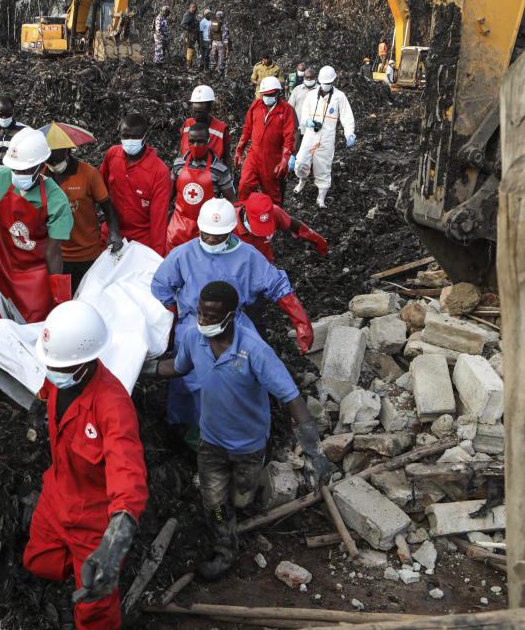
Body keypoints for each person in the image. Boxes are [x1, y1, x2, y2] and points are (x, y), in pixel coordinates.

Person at [154, 280, 332, 579]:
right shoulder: (192, 337)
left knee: (242, 498)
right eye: (199, 313)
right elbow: (179, 367)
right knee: (216, 503)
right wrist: (141, 369)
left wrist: (315, 452)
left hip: (249, 446)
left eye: (210, 316)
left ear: (231, 316)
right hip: (210, 442)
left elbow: (292, 399)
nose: (202, 321)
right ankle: (225, 545)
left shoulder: (255, 351)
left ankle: (246, 499)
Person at [24, 301, 148, 630]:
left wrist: (114, 543)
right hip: (57, 493)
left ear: (85, 363)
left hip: (92, 518)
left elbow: (128, 475)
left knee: (95, 603)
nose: (53, 371)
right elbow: (47, 389)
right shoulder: (59, 374)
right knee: (39, 562)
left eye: (60, 367)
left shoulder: (112, 406)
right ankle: (75, 571)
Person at [150, 198, 314, 433]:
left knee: (250, 367)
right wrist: (174, 318)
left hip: (234, 322)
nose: (209, 240)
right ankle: (192, 428)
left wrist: (301, 322)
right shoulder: (183, 254)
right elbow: (162, 287)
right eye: (205, 234)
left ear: (229, 232)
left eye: (216, 237)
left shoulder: (248, 255)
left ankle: (248, 424)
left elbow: (277, 286)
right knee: (189, 376)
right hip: (192, 323)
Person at [0, 127, 72, 322]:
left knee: (32, 324)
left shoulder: (56, 199)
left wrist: (58, 294)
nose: (19, 174)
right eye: (15, 169)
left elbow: (54, 252)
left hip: (34, 274)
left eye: (26, 170)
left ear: (40, 166)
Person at [46, 141, 123, 293]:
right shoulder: (41, 174)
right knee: (62, 300)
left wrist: (114, 233)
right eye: (50, 162)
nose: (54, 166)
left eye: (58, 162)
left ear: (67, 151)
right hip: (56, 254)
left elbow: (107, 206)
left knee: (88, 297)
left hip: (87, 253)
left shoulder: (89, 174)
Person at [99, 113, 171, 257]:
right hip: (112, 237)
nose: (129, 140)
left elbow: (159, 220)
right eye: (125, 136)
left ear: (145, 136)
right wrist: (111, 231)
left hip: (141, 244)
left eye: (135, 137)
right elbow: (101, 192)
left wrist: (156, 258)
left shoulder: (159, 171)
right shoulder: (112, 155)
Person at [293, 65, 356, 208]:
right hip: (310, 136)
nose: (326, 85)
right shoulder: (311, 95)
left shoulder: (339, 97)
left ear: (333, 82)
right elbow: (304, 113)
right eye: (324, 83)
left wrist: (349, 134)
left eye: (328, 83)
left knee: (323, 167)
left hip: (327, 137)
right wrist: (308, 121)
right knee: (301, 161)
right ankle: (302, 180)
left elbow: (347, 117)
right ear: (319, 81)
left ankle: (321, 197)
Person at [167, 123, 237, 250]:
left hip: (207, 230)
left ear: (208, 141)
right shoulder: (178, 164)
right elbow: (168, 195)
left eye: (200, 141)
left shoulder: (219, 170)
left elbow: (232, 201)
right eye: (192, 141)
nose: (195, 146)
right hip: (178, 227)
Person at [234, 76, 296, 205]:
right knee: (244, 185)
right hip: (253, 155)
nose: (267, 97)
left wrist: (285, 159)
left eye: (270, 94)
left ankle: (273, 221)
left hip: (272, 159)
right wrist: (239, 150)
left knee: (272, 194)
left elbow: (289, 137)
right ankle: (243, 217)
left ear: (277, 94)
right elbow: (247, 128)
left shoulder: (286, 110)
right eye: (265, 95)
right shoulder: (256, 105)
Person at [234, 191, 327, 264]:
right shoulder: (228, 226)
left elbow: (294, 224)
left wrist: (317, 239)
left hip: (264, 264)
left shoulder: (275, 213)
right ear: (245, 213)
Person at [178, 84, 234, 170]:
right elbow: (182, 150)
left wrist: (229, 179)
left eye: (201, 112)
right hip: (188, 172)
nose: (198, 116)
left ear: (210, 108)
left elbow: (227, 157)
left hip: (212, 174)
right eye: (195, 112)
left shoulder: (221, 129)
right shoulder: (187, 124)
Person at [288, 67, 318, 134]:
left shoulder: (320, 90)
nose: (309, 79)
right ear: (303, 78)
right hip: (299, 129)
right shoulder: (297, 89)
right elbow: (290, 107)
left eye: (311, 77)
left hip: (315, 129)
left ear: (315, 78)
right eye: (307, 77)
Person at [208, 11, 230, 76]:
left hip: (213, 42)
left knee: (213, 57)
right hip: (221, 43)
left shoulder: (212, 23)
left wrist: (212, 42)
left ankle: (211, 71)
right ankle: (220, 73)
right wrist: (227, 48)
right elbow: (225, 38)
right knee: (221, 58)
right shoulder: (223, 25)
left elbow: (209, 35)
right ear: (222, 17)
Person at [181, 2, 199, 69]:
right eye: (194, 7)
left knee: (191, 49)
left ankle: (190, 64)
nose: (195, 9)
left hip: (193, 35)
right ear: (191, 7)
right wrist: (191, 30)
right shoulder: (188, 14)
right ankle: (188, 65)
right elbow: (183, 24)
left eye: (196, 7)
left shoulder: (193, 15)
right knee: (190, 49)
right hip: (190, 35)